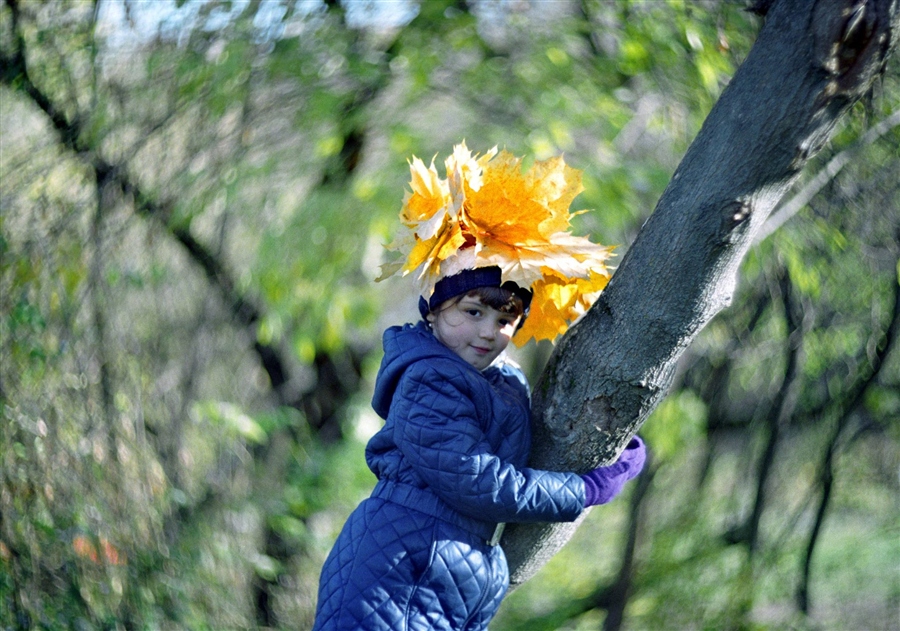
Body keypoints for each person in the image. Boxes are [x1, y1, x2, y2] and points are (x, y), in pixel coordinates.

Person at [312, 143, 646, 631]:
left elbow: (529, 453)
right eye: (473, 312)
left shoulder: (502, 381)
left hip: (445, 572)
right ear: (433, 311)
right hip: (396, 570)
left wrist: (609, 443)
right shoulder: (428, 379)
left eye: (506, 317)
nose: (490, 331)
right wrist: (586, 487)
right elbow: (480, 481)